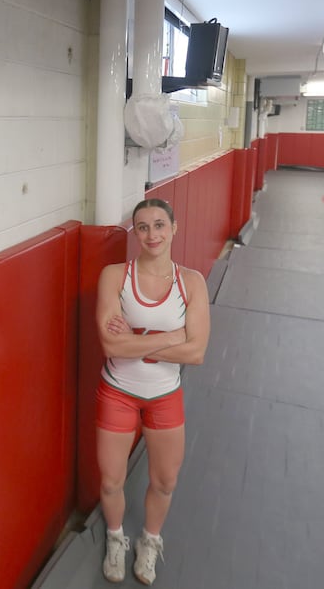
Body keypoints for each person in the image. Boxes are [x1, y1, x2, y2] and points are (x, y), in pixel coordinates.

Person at [95, 198, 210, 585]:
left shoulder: (191, 282)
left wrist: (138, 339)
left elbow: (196, 352)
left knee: (164, 481)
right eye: (142, 227)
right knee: (111, 480)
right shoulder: (114, 276)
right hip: (117, 393)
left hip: (164, 395)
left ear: (174, 228)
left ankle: (150, 540)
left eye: (159, 225)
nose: (152, 234)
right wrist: (172, 336)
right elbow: (111, 347)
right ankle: (115, 538)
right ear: (135, 233)